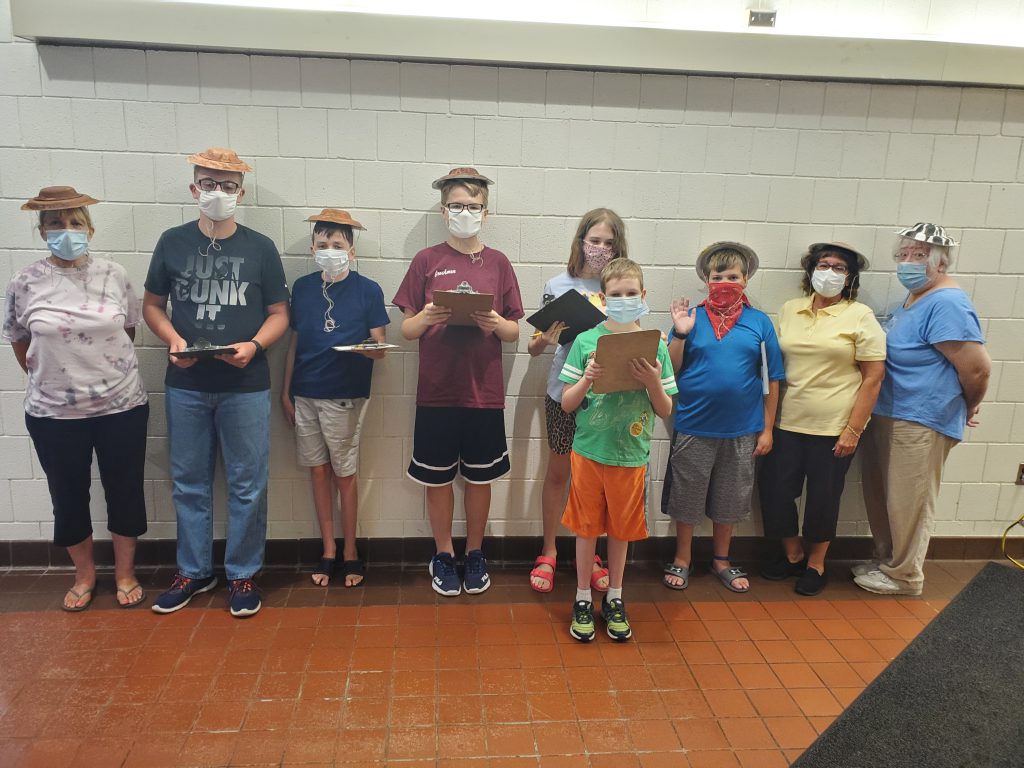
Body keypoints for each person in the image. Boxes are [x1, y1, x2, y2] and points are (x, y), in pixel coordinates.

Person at [143, 148, 290, 617]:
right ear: (194, 190)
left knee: (248, 482)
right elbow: (151, 306)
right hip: (185, 382)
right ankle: (193, 570)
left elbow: (279, 314)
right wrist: (172, 339)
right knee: (189, 481)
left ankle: (243, 575)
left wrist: (256, 346)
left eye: (227, 186)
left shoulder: (260, 247)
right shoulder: (171, 241)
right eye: (209, 183)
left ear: (240, 194)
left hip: (246, 382)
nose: (218, 193)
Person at [3, 186, 149, 611]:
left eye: (74, 223)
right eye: (55, 224)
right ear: (42, 231)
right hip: (53, 413)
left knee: (125, 490)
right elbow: (20, 342)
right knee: (67, 495)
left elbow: (130, 332)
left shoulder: (114, 275)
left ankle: (125, 573)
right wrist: (57, 376)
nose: (65, 231)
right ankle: (84, 575)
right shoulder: (24, 282)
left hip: (121, 407)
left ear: (89, 228)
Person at [394, 167, 523, 597]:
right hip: (436, 393)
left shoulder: (499, 263)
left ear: (485, 213)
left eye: (472, 206)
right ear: (443, 210)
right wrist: (428, 315)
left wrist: (495, 322)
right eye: (456, 206)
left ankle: (474, 552)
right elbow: (405, 331)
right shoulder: (426, 261)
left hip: (483, 394)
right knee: (437, 479)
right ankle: (444, 553)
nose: (464, 212)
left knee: (480, 479)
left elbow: (514, 333)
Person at [855, 223, 990, 596]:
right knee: (886, 496)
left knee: (909, 500)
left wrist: (968, 405)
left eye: (919, 256)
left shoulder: (947, 303)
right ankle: (888, 560)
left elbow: (977, 368)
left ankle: (905, 575)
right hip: (892, 412)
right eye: (903, 255)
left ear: (941, 263)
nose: (908, 263)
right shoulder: (915, 298)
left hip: (922, 417)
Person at [757, 242, 886, 596]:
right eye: (823, 265)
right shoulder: (789, 310)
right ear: (810, 270)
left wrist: (853, 430)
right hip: (786, 423)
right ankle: (793, 554)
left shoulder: (859, 315)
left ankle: (816, 564)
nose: (829, 272)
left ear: (850, 278)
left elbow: (873, 377)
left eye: (839, 268)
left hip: (834, 428)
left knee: (823, 498)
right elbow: (774, 366)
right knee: (776, 493)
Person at [559, 258, 676, 642]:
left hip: (631, 455)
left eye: (631, 294)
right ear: (602, 298)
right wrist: (588, 378)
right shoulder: (586, 342)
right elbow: (567, 403)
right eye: (616, 295)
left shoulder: (655, 346)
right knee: (585, 529)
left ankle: (615, 596)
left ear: (643, 296)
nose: (624, 300)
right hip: (589, 451)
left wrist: (653, 382)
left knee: (622, 532)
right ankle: (580, 596)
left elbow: (665, 409)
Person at [661, 242, 784, 593]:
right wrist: (680, 333)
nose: (725, 281)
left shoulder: (759, 322)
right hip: (693, 424)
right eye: (718, 276)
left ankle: (721, 559)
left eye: (733, 276)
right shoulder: (691, 318)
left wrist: (767, 428)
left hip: (742, 429)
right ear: (706, 280)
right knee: (687, 496)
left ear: (745, 280)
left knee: (730, 498)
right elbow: (670, 368)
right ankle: (682, 557)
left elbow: (772, 379)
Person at [281, 209, 390, 588]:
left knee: (345, 473)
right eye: (323, 245)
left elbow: (381, 348)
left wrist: (364, 350)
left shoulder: (368, 290)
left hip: (344, 395)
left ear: (352, 251)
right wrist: (286, 390)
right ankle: (328, 548)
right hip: (305, 393)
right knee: (317, 470)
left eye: (338, 245)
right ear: (313, 248)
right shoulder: (303, 288)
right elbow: (294, 341)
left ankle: (350, 552)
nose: (330, 251)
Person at [527, 208, 628, 594]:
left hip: (608, 397)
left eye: (608, 242)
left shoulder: (620, 284)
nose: (600, 249)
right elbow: (535, 347)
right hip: (564, 392)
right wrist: (544, 339)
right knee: (558, 473)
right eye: (594, 240)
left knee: (597, 480)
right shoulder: (559, 283)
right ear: (581, 240)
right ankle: (549, 550)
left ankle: (593, 553)